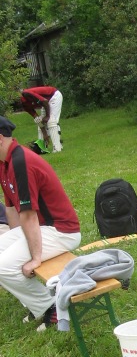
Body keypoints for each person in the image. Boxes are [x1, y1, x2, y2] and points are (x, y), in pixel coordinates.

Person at [0, 116, 81, 326]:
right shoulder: (4, 162)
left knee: (3, 266)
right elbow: (11, 208)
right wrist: (17, 242)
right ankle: (35, 304)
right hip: (41, 228)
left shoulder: (20, 162)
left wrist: (35, 258)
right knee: (5, 257)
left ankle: (52, 307)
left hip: (61, 231)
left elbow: (29, 214)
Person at [20, 85, 64, 152]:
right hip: (45, 102)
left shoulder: (26, 94)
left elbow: (45, 101)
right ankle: (42, 148)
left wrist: (48, 116)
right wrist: (45, 134)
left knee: (51, 121)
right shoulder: (25, 106)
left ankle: (57, 148)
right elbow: (37, 119)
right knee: (41, 121)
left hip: (54, 95)